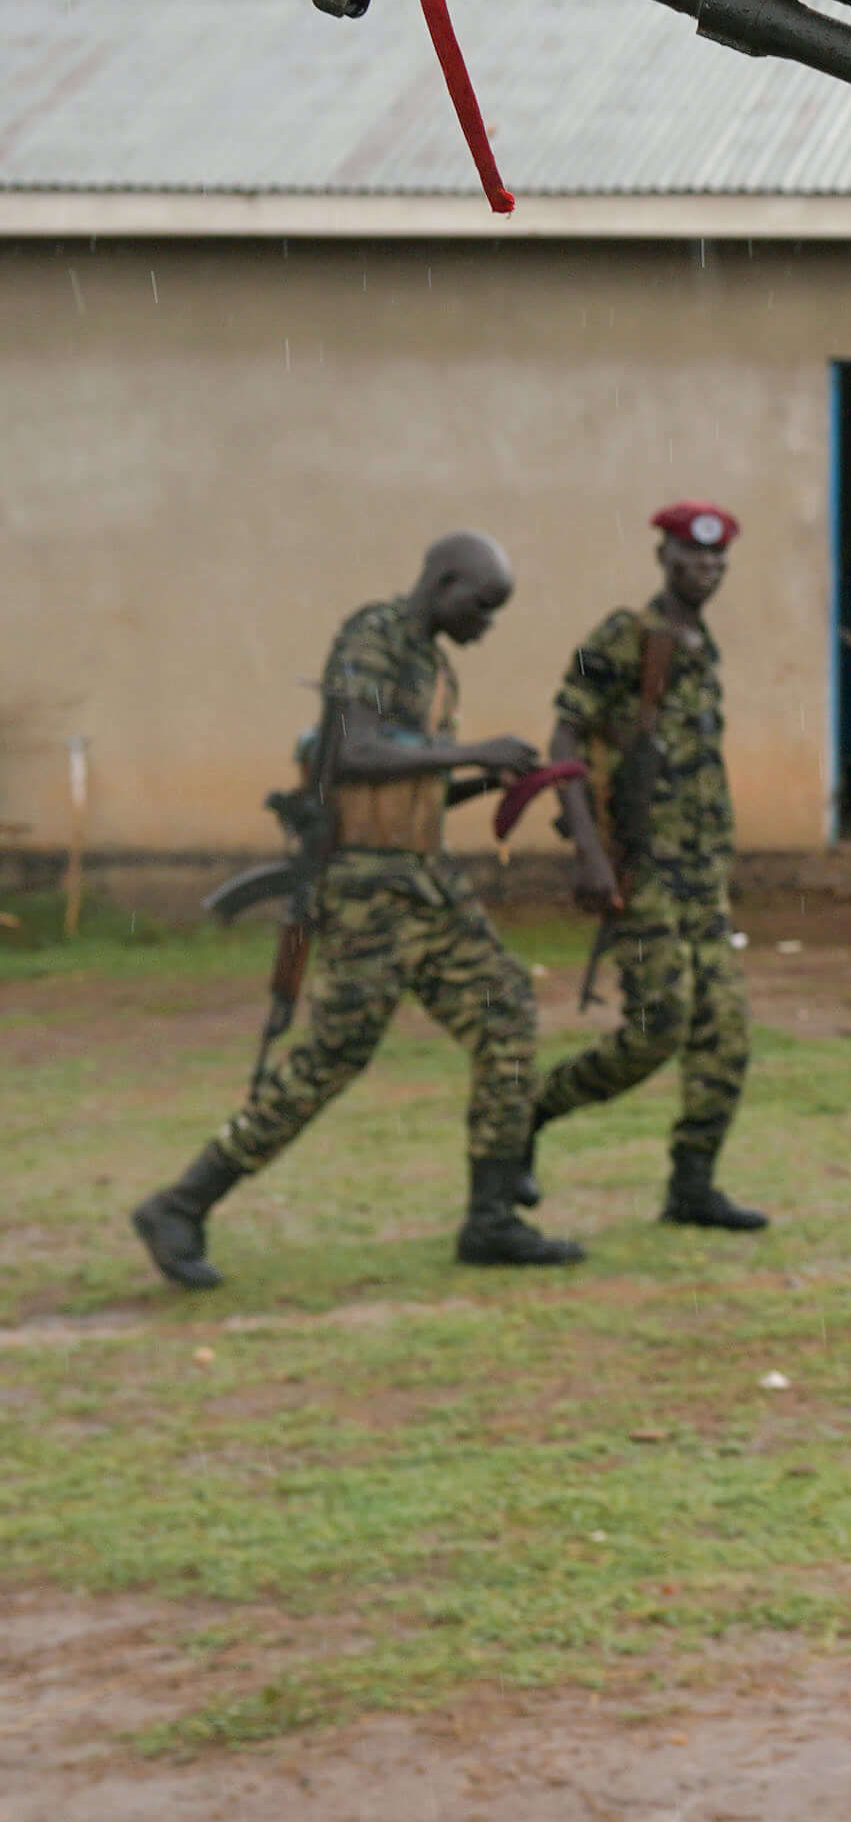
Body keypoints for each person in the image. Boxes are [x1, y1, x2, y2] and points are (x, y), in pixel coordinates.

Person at [130, 531, 582, 1287]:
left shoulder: (434, 667)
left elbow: (407, 781)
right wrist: (472, 752)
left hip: (423, 877)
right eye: (481, 604)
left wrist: (486, 781)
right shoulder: (373, 638)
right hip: (366, 886)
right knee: (332, 1055)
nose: (486, 624)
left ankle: (493, 1217)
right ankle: (180, 1204)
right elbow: (354, 751)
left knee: (504, 1006)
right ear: (441, 581)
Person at [526, 501, 770, 1232]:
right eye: (694, 557)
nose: (708, 570)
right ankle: (528, 1116)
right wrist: (591, 856)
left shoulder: (702, 642)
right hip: (645, 871)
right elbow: (563, 739)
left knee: (725, 1034)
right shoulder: (623, 635)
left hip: (701, 874)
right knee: (657, 1027)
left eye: (719, 560)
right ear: (664, 557)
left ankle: (691, 1186)